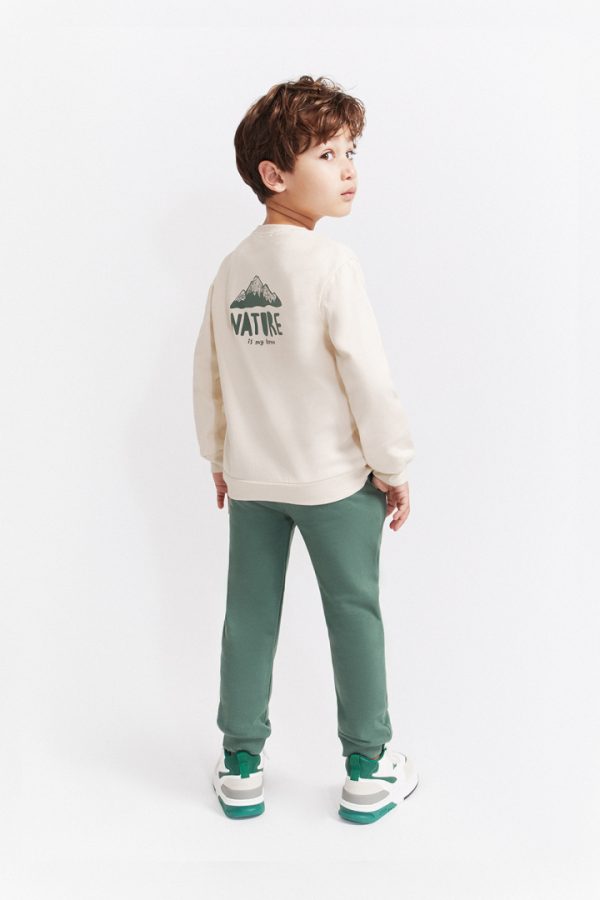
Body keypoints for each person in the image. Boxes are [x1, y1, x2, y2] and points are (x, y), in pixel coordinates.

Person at [192, 74, 419, 825]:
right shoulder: (330, 266)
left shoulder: (233, 268)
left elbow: (210, 372)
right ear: (274, 174)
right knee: (354, 613)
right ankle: (369, 768)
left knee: (248, 617)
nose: (349, 169)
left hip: (255, 481)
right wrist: (392, 465)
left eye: (351, 152)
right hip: (334, 484)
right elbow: (368, 378)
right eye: (328, 154)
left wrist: (219, 457)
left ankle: (241, 764)